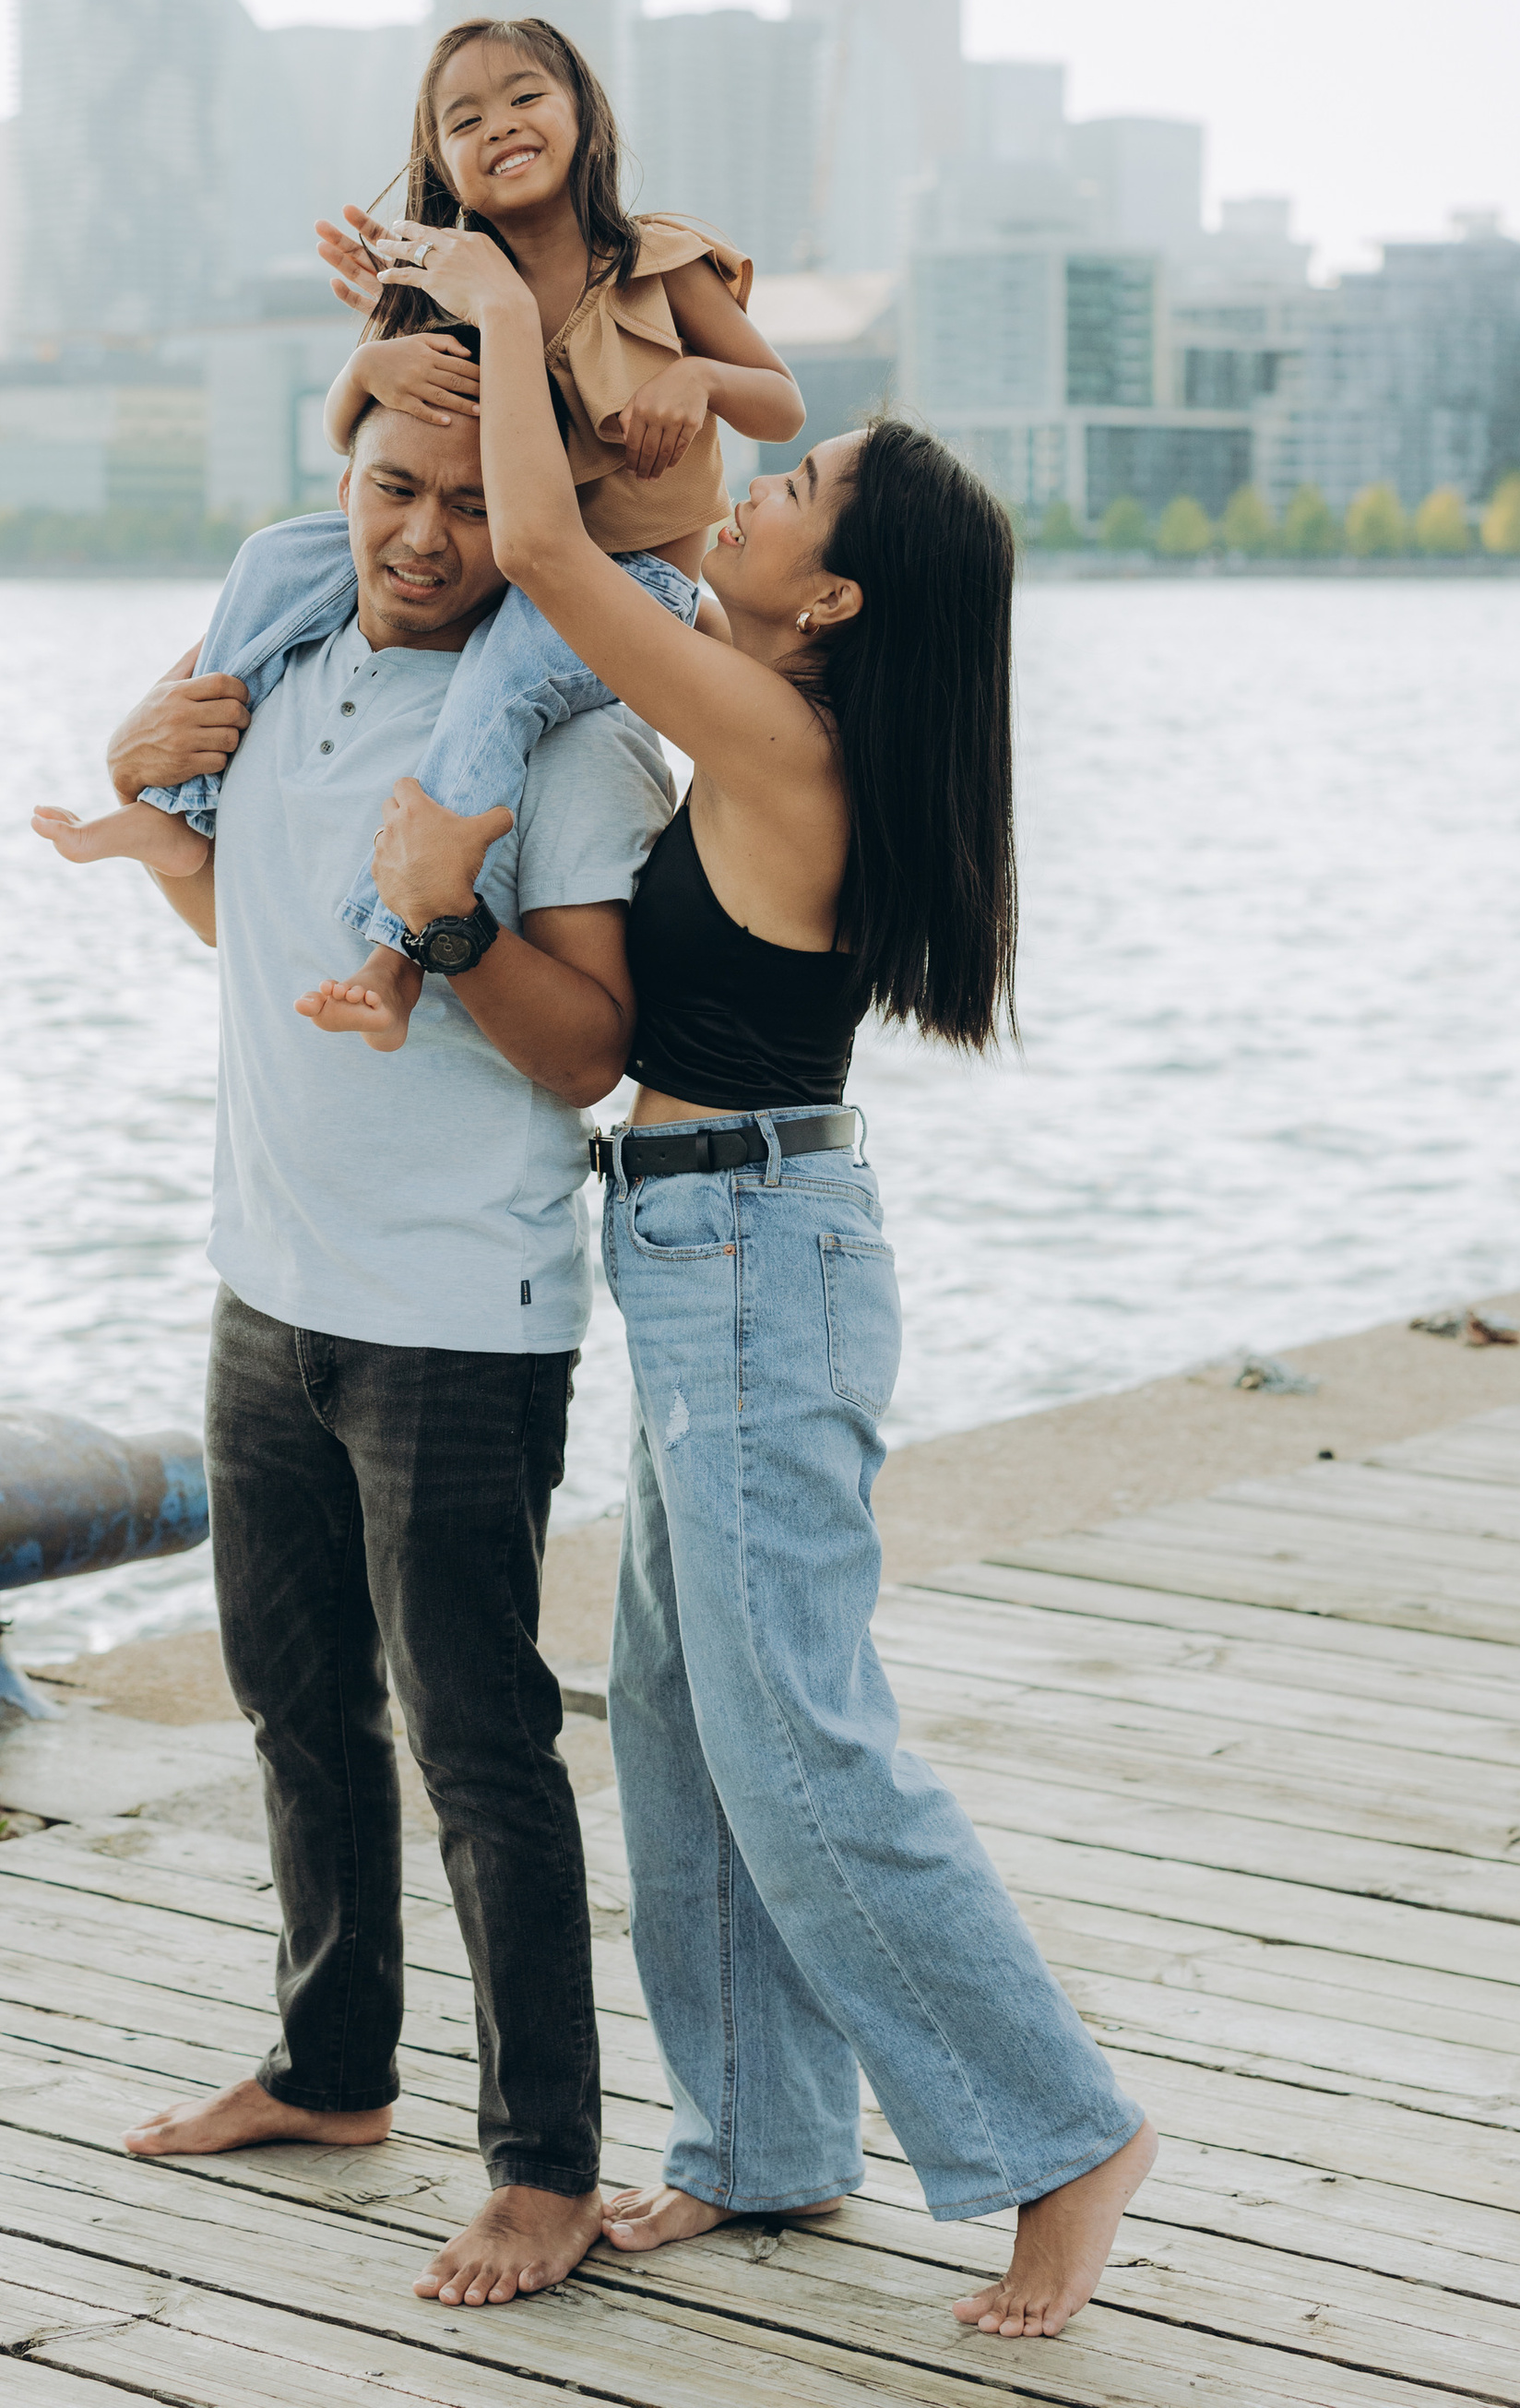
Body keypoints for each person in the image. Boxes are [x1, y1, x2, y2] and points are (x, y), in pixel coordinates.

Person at [371, 209, 1160, 2348]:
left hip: (751, 1255)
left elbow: (546, 555)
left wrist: (511, 307)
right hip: (711, 1242)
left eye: (786, 491)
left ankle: (1056, 2132)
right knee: (685, 1736)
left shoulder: (778, 735)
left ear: (824, 604)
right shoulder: (775, 726)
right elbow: (604, 516)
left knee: (797, 1743)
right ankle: (760, 2138)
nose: (739, 485)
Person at [89, 388, 676, 2310]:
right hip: (267, 1285)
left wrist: (431, 931)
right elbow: (227, 925)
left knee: (477, 1743)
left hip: (454, 1317)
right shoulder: (279, 668)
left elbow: (594, 1051)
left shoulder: (567, 735)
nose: (422, 535)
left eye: (464, 500)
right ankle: (335, 2073)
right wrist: (140, 779)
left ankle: (542, 2170)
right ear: (335, 484)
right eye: (387, 490)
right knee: (294, 1703)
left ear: (532, 514)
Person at [30, 14, 802, 1053]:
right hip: (506, 570)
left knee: (494, 691)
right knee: (275, 558)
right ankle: (186, 803)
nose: (501, 127)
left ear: (583, 115)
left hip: (627, 594)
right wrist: (362, 370)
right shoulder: (437, 286)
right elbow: (376, 458)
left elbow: (781, 406)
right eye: (463, 118)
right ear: (438, 161)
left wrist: (701, 376)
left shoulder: (658, 263)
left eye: (526, 97)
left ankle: (395, 954)